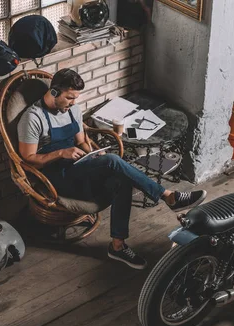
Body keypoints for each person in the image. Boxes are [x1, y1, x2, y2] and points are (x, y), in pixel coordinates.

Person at [17, 69, 206, 269]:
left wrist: (93, 155)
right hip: (58, 177)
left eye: (75, 98)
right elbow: (28, 160)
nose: (73, 103)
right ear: (54, 92)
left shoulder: (73, 110)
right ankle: (168, 196)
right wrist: (60, 153)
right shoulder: (33, 118)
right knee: (113, 161)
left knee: (120, 180)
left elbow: (82, 142)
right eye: (69, 98)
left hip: (81, 168)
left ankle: (117, 246)